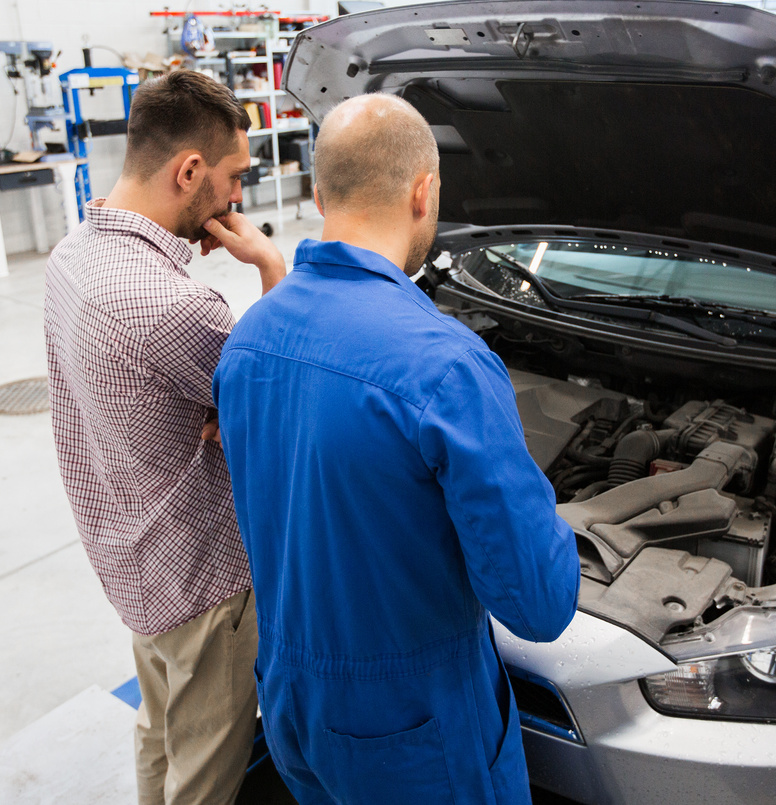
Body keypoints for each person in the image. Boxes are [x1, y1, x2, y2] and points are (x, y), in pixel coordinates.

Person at [213, 93, 579, 804]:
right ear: (424, 191)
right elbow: (537, 604)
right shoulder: (445, 367)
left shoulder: (248, 338)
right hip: (415, 726)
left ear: (318, 192)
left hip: (290, 702)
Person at [43, 69, 286, 805]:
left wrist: (219, 410)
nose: (238, 198)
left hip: (134, 560)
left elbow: (220, 401)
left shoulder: (71, 258)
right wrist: (272, 267)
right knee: (208, 773)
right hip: (205, 580)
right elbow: (281, 409)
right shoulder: (174, 307)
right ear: (188, 171)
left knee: (157, 730)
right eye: (234, 176)